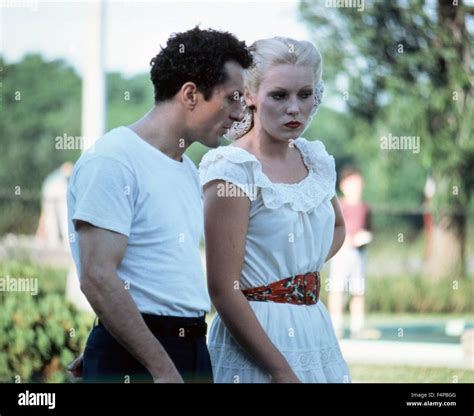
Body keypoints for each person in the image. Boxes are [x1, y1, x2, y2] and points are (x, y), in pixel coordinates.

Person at [67, 27, 252, 383]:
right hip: (151, 363)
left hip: (185, 349)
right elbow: (97, 276)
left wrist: (114, 341)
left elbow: (156, 275)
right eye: (232, 98)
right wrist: (159, 367)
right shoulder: (114, 159)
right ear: (190, 94)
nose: (240, 113)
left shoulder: (187, 169)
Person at [199, 37, 351, 383]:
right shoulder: (233, 168)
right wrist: (280, 371)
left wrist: (296, 270)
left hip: (314, 325)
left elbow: (339, 228)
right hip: (256, 334)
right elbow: (223, 288)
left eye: (305, 94)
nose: (295, 108)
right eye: (279, 95)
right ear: (249, 96)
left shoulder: (313, 159)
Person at [328, 166, 373, 339]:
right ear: (344, 185)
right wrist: (346, 240)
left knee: (358, 290)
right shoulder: (339, 205)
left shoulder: (365, 208)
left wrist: (364, 238)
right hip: (342, 253)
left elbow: (368, 229)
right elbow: (335, 227)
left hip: (359, 254)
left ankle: (357, 326)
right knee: (337, 289)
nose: (357, 187)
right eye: (353, 183)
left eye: (359, 183)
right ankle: (336, 325)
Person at [36, 161, 74, 248]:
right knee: (61, 217)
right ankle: (63, 241)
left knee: (53, 218)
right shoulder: (61, 178)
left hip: (50, 194)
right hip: (55, 195)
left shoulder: (53, 177)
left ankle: (55, 242)